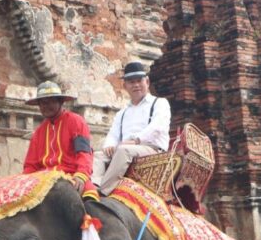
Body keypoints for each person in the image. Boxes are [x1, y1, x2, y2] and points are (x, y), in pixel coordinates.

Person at [93, 61, 171, 195]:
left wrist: (136, 140)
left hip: (151, 149)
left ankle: (103, 191)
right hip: (126, 148)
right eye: (131, 82)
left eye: (139, 80)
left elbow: (157, 127)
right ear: (125, 86)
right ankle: (93, 186)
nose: (136, 85)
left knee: (123, 151)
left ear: (147, 81)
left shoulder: (160, 103)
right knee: (98, 156)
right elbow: (113, 134)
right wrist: (109, 145)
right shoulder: (122, 112)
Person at [23, 81, 99, 201]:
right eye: (42, 103)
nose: (46, 106)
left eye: (51, 102)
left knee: (90, 201)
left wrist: (81, 175)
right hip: (42, 179)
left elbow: (84, 153)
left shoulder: (76, 121)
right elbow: (30, 166)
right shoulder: (38, 132)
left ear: (60, 102)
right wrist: (23, 182)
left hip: (71, 176)